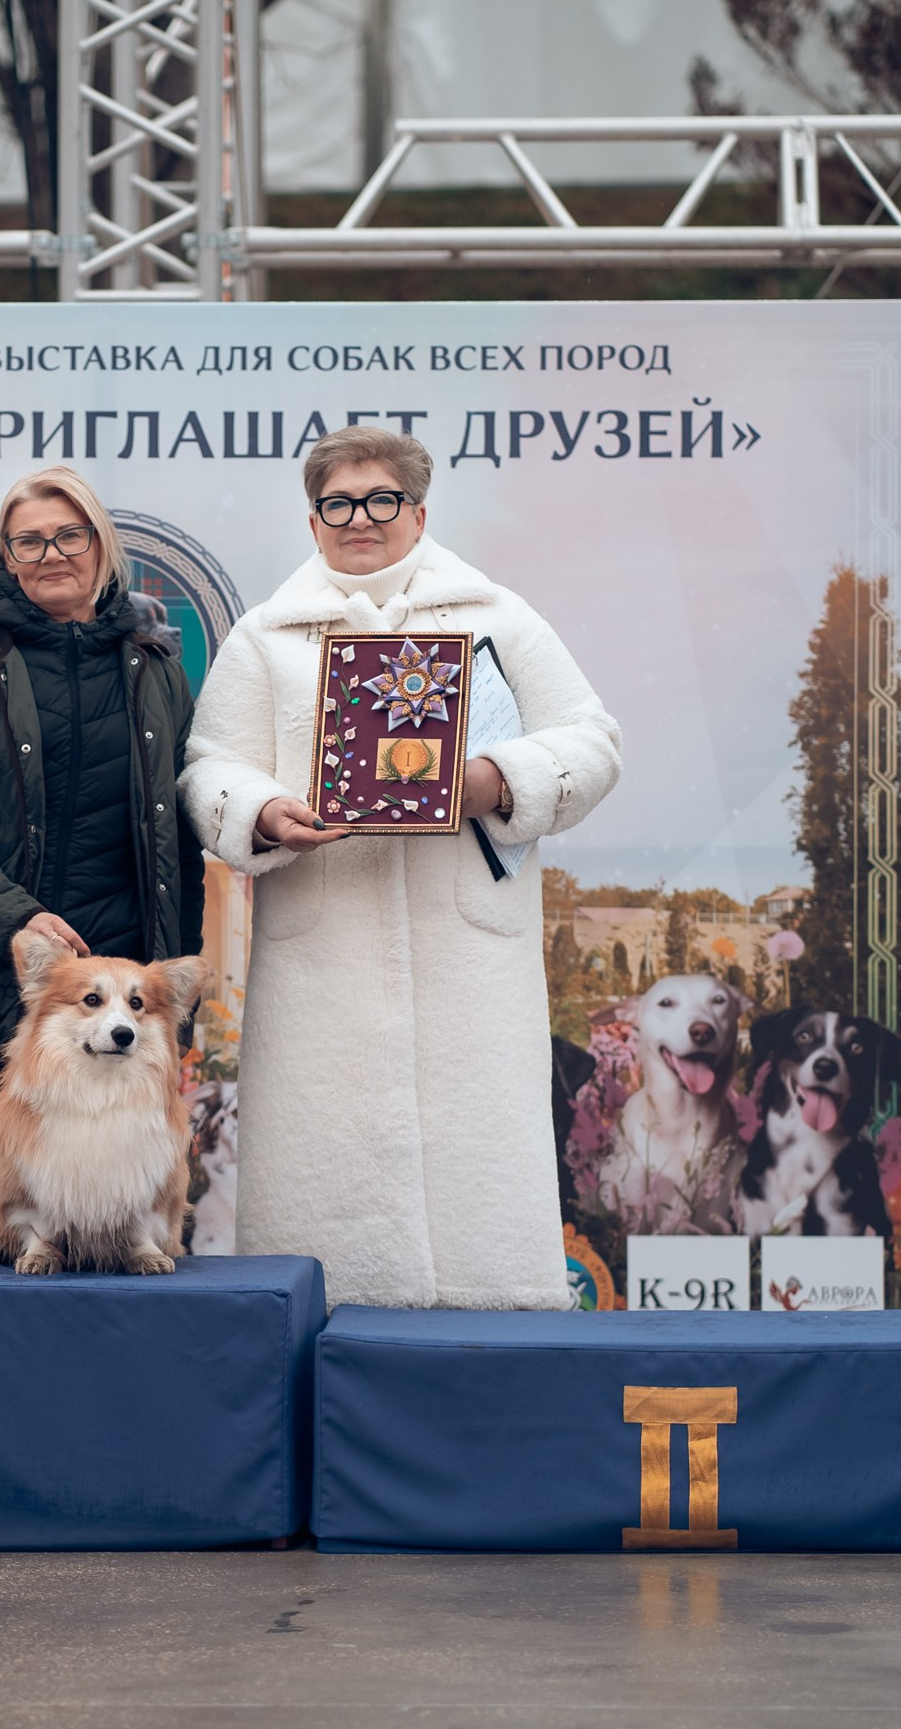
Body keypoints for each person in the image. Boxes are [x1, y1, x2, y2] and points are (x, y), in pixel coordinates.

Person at [177, 426, 621, 1308]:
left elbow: (593, 744)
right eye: (337, 504)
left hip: (472, 968)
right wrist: (261, 812)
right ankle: (323, 1342)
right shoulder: (267, 636)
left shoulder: (499, 617)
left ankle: (494, 1337)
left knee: (483, 1211)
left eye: (381, 499)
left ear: (418, 512)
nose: (360, 519)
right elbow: (208, 767)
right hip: (322, 962)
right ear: (313, 521)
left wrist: (496, 779)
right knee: (323, 1214)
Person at [0, 465, 204, 1221]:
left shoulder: (158, 674)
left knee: (116, 1221)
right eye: (29, 541)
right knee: (6, 1223)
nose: (51, 554)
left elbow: (178, 842)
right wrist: (16, 919)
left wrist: (173, 995)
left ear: (102, 545)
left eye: (69, 536)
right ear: (6, 555)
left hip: (118, 1007)